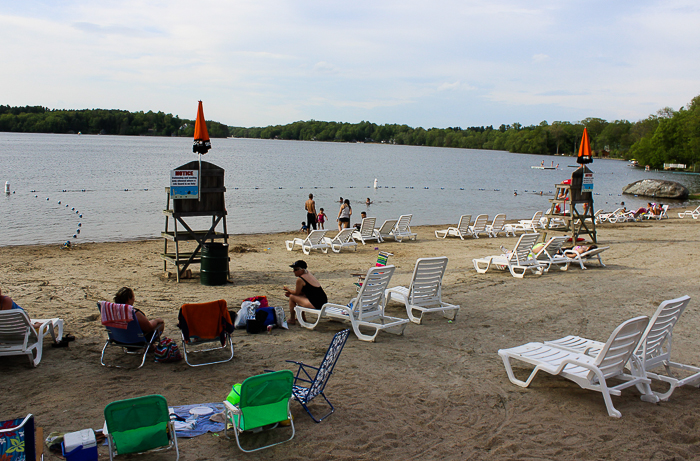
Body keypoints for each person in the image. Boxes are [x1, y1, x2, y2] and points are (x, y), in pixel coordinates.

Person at [283, 260, 327, 326]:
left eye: (296, 269)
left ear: (302, 270)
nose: (294, 271)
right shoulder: (308, 274)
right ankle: (302, 318)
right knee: (298, 297)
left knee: (292, 297)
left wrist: (287, 289)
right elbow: (303, 292)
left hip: (316, 304)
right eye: (293, 269)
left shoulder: (300, 279)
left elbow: (296, 293)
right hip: (323, 301)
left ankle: (292, 319)